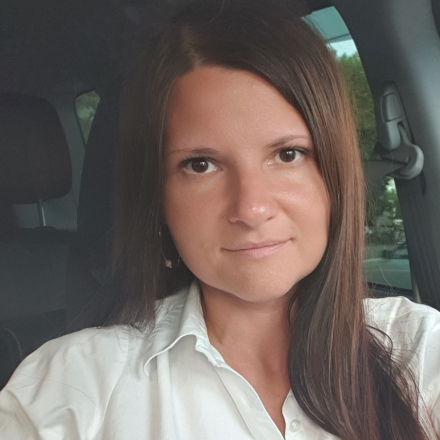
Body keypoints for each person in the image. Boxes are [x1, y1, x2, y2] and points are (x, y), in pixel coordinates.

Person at [1, 1, 440, 439]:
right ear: (159, 198)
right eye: (201, 165)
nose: (251, 208)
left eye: (288, 154)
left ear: (334, 176)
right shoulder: (72, 390)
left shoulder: (418, 348)